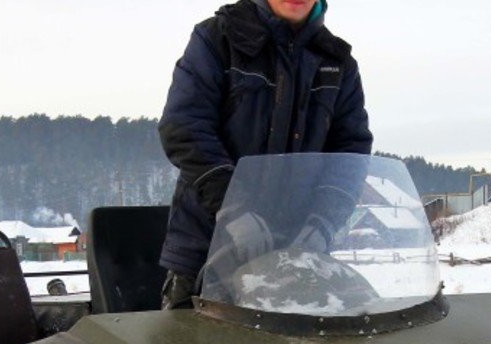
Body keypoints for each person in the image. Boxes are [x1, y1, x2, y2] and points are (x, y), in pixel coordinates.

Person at [157, 0, 373, 308]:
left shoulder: (337, 63)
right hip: (207, 254)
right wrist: (233, 209)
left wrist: (323, 221)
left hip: (299, 263)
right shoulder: (218, 39)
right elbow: (184, 127)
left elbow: (350, 152)